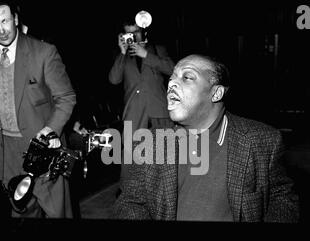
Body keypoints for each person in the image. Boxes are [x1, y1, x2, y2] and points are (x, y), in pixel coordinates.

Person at [113, 54, 299, 222]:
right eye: (171, 78)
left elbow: (281, 197)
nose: (171, 84)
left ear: (216, 93)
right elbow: (130, 202)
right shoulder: (152, 143)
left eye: (187, 77)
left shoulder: (262, 140)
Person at [0, 1, 76, 218]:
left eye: (4, 20)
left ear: (15, 19)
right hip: (8, 154)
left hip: (42, 148)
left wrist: (51, 128)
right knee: (22, 211)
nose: (1, 29)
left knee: (56, 212)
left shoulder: (44, 52)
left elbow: (66, 97)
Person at [108, 16, 175, 133]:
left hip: (159, 112)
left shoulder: (157, 49)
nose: (133, 36)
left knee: (164, 149)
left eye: (136, 32)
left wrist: (145, 55)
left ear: (142, 32)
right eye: (129, 33)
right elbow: (114, 80)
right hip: (133, 114)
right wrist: (122, 52)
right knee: (131, 149)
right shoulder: (122, 56)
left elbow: (173, 70)